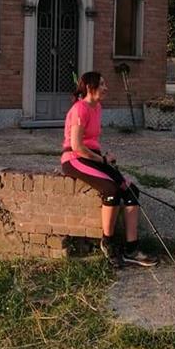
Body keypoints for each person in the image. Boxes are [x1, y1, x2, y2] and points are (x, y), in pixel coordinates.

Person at [61, 71, 158, 268]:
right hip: (74, 159)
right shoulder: (80, 109)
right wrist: (103, 160)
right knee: (111, 190)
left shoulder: (97, 107)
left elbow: (91, 142)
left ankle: (132, 249)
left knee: (131, 191)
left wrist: (103, 157)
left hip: (92, 157)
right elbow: (77, 146)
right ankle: (108, 242)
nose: (106, 88)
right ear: (90, 88)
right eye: (102, 84)